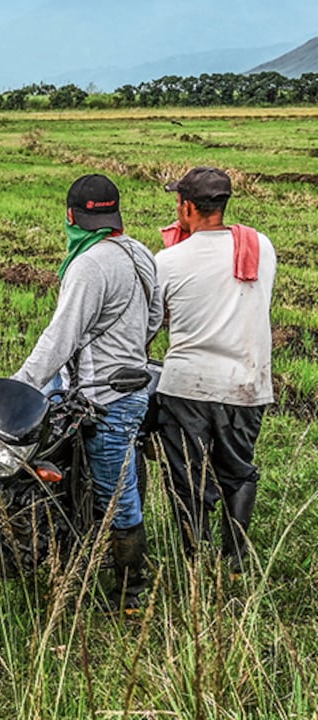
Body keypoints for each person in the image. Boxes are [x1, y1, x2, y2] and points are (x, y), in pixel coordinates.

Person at [11, 174, 163, 612]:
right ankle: (70, 550)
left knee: (117, 493)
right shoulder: (139, 254)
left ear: (70, 217)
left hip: (104, 397)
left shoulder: (88, 265)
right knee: (79, 471)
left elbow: (61, 338)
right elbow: (154, 319)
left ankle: (132, 592)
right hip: (131, 386)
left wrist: (20, 385)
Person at [154, 166, 276, 578]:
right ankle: (237, 560)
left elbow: (157, 320)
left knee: (188, 478)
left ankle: (195, 562)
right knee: (239, 471)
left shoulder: (168, 261)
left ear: (187, 207)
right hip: (247, 383)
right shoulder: (259, 246)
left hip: (186, 385)